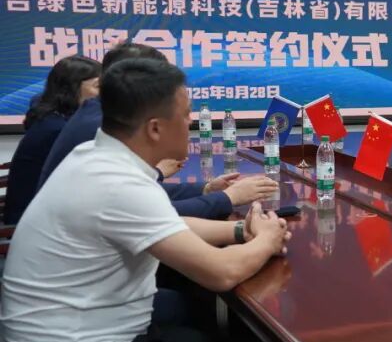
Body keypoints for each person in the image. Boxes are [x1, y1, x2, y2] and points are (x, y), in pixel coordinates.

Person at [0, 58, 387, 342]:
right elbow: (220, 274)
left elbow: (168, 224)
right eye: (186, 115)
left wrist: (241, 232)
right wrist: (263, 241)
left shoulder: (100, 159)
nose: (192, 121)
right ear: (156, 127)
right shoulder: (115, 183)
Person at [37, 43, 276, 218]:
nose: (190, 121)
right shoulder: (102, 129)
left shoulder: (101, 117)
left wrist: (206, 190)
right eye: (184, 114)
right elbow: (155, 213)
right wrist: (228, 199)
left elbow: (144, 198)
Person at [4, 55, 101, 225]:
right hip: (35, 222)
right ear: (72, 88)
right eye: (98, 86)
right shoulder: (58, 128)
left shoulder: (53, 115)